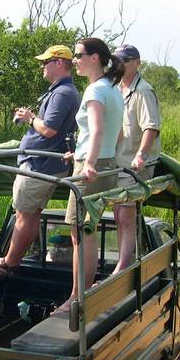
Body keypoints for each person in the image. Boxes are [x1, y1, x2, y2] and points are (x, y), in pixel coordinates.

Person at [0, 45, 80, 274]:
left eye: (46, 62)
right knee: (32, 213)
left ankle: (10, 262)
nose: (42, 66)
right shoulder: (65, 92)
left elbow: (49, 130)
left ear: (60, 63)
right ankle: (16, 258)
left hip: (39, 165)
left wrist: (29, 118)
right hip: (46, 165)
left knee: (24, 214)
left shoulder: (63, 93)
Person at [55, 37, 125, 314]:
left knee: (79, 233)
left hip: (92, 167)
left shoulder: (95, 90)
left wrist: (89, 162)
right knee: (88, 231)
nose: (75, 60)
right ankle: (82, 293)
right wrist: (90, 155)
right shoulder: (113, 89)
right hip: (106, 163)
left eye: (79, 55)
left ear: (95, 57)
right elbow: (117, 134)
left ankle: (75, 298)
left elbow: (96, 130)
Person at [111, 44, 162, 274]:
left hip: (134, 163)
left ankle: (123, 265)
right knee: (118, 213)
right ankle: (126, 259)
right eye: (117, 60)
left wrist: (141, 155)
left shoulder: (144, 91)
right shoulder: (117, 89)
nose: (119, 65)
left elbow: (151, 127)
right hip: (117, 161)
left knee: (126, 214)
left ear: (136, 63)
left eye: (124, 60)